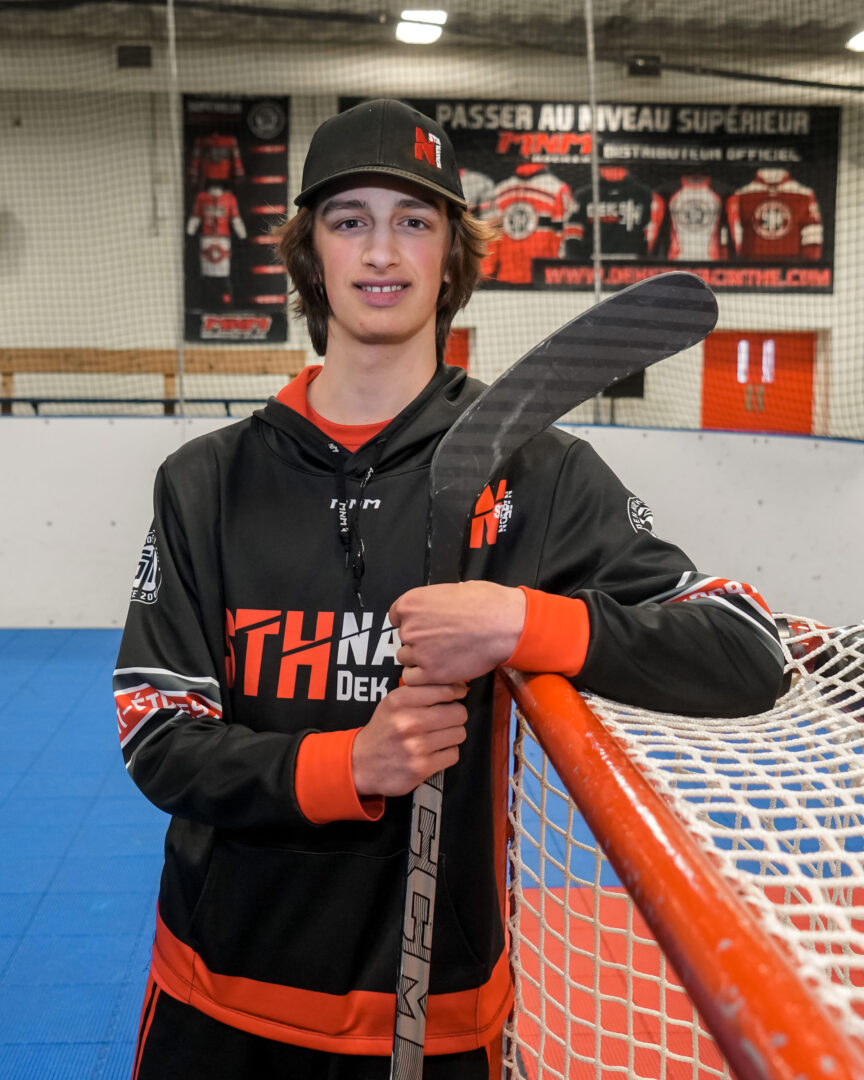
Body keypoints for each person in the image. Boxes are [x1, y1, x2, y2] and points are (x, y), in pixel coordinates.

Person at [115, 98, 785, 1079]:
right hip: (220, 1000)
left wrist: (523, 620)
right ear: (310, 254)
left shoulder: (540, 473)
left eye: (414, 220)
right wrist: (353, 765)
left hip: (439, 1018)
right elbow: (157, 732)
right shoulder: (205, 482)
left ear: (451, 253)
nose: (382, 251)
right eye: (351, 220)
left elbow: (743, 647)